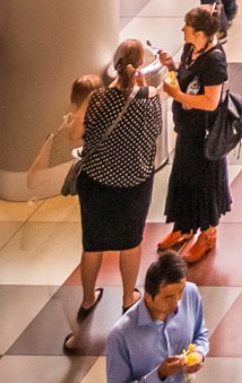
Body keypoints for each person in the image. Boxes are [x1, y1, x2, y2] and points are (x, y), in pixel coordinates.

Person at [63, 44, 167, 352]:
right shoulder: (149, 101)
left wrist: (99, 96)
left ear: (115, 65)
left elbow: (74, 134)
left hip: (95, 181)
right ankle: (127, 297)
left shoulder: (97, 99)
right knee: (130, 241)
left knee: (92, 243)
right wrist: (145, 90)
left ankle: (86, 298)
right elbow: (156, 132)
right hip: (134, 182)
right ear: (139, 69)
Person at [157, 5, 234, 265]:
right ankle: (185, 226)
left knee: (203, 183)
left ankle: (208, 233)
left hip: (204, 134)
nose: (182, 31)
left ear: (201, 34)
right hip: (188, 130)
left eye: (187, 28)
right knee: (183, 177)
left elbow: (211, 102)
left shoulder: (214, 60)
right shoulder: (192, 49)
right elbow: (186, 76)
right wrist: (170, 65)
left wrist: (177, 96)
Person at [102, 255, 205, 383]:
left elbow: (200, 334)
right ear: (148, 295)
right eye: (168, 298)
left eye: (180, 292)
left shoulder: (191, 292)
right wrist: (160, 374)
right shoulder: (120, 336)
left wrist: (199, 353)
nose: (177, 302)